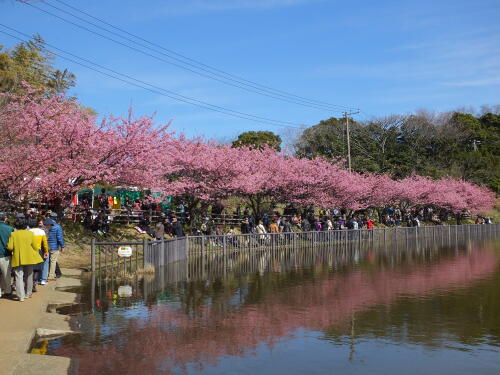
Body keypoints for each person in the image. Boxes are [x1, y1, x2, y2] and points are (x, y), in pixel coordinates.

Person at [7, 217, 43, 301]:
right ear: (25, 225)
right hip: (29, 257)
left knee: (19, 276)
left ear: (16, 225)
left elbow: (10, 247)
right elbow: (35, 246)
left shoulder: (13, 234)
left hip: (18, 257)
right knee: (29, 275)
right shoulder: (30, 234)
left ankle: (21, 296)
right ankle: (28, 293)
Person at [43, 217, 65, 282]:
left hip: (46, 246)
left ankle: (44, 275)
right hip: (54, 246)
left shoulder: (45, 226)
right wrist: (62, 246)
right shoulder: (58, 227)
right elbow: (59, 237)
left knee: (46, 261)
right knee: (53, 261)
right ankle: (51, 276)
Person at [30, 219, 49, 290]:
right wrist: (46, 252)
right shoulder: (42, 232)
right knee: (37, 269)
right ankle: (34, 283)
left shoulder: (29, 231)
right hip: (39, 251)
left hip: (30, 251)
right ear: (38, 224)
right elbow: (45, 243)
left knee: (30, 268)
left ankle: (29, 283)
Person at [0, 213, 14, 298]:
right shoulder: (9, 229)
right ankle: (7, 291)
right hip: (5, 254)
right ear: (5, 218)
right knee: (6, 274)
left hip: (4, 254)